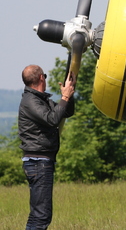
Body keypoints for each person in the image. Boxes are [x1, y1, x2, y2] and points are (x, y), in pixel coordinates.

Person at [18, 65, 76, 230]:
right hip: (38, 162)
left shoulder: (40, 99)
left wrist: (69, 94)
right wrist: (64, 97)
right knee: (41, 216)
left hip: (40, 162)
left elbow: (65, 112)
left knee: (39, 215)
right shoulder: (31, 101)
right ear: (42, 78)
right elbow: (52, 119)